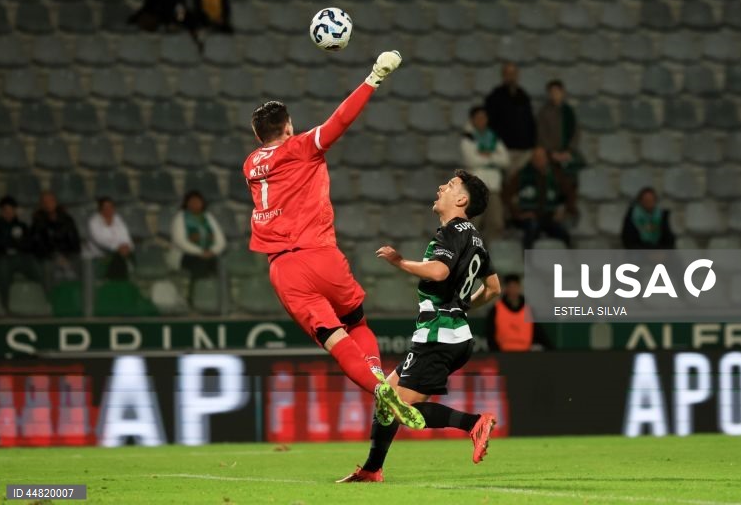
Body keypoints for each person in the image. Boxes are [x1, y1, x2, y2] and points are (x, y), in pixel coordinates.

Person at [243, 51, 425, 430]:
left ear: (258, 137)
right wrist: (373, 77)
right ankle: (382, 377)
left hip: (284, 270)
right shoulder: (300, 146)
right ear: (289, 127)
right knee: (356, 323)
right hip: (321, 256)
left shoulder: (250, 164)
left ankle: (375, 388)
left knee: (333, 339)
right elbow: (339, 121)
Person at [338, 170, 502, 483]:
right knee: (386, 395)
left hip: (439, 334)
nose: (442, 186)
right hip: (452, 332)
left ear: (461, 200)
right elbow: (493, 288)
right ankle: (372, 469)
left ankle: (473, 423)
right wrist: (464, 305)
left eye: (451, 185)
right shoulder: (476, 239)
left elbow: (439, 272)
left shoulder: (452, 231)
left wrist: (400, 262)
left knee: (399, 405)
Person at [506, 147, 575, 249]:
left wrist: (563, 210)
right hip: (529, 216)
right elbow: (507, 195)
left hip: (549, 216)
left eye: (541, 158)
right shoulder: (522, 175)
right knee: (532, 230)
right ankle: (528, 262)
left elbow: (569, 193)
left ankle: (569, 262)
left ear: (546, 159)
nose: (538, 161)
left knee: (564, 234)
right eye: (536, 159)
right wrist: (518, 214)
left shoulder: (556, 175)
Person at [460, 106, 511, 243]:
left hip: (493, 187)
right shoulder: (468, 137)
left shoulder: (493, 137)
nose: (482, 120)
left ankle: (490, 254)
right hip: (476, 188)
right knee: (473, 223)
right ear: (473, 120)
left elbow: (505, 160)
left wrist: (486, 157)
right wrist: (494, 158)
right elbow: (471, 160)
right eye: (478, 118)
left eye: (484, 117)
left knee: (496, 223)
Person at [484, 62, 537, 172]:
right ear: (503, 75)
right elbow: (489, 124)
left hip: (524, 149)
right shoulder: (494, 96)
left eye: (513, 73)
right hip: (503, 148)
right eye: (508, 73)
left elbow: (530, 121)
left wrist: (532, 144)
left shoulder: (523, 95)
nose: (511, 76)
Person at [486, 274, 553, 352]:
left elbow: (539, 334)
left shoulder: (529, 311)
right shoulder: (496, 310)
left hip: (525, 355)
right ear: (506, 289)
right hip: (503, 355)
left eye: (515, 286)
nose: (513, 290)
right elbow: (490, 335)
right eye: (510, 287)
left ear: (519, 288)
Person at [537, 79, 585, 186]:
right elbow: (541, 134)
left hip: (567, 153)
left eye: (557, 91)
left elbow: (575, 133)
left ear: (562, 92)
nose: (554, 94)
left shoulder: (569, 111)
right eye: (552, 92)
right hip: (550, 154)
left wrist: (568, 151)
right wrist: (553, 153)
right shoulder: (544, 112)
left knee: (572, 183)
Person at [169, 190, 226, 280]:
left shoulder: (208, 217)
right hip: (185, 255)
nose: (195, 204)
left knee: (219, 264)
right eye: (192, 201)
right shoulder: (180, 217)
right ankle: (197, 292)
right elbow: (179, 241)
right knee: (201, 263)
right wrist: (200, 252)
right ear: (186, 203)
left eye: (198, 201)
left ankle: (215, 291)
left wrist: (213, 251)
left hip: (209, 254)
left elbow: (221, 240)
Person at [0, 196, 40, 309]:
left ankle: (45, 300)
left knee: (37, 267)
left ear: (15, 211)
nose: (9, 213)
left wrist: (12, 244)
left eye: (11, 210)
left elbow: (29, 245)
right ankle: (5, 305)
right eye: (6, 210)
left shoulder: (22, 226)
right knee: (3, 269)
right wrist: (13, 243)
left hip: (20, 258)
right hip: (1, 259)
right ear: (1, 211)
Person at [30, 191, 82, 283]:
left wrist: (66, 255)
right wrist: (54, 256)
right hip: (49, 256)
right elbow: (37, 244)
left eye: (51, 201)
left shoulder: (67, 219)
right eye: (45, 202)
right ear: (41, 205)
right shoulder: (37, 221)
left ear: (56, 202)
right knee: (60, 271)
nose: (48, 204)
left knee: (72, 267)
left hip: (67, 254)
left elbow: (74, 240)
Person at [85, 197, 135, 280]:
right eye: (105, 207)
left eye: (111, 207)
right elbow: (100, 241)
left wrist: (128, 246)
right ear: (100, 209)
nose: (108, 209)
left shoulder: (118, 219)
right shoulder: (93, 222)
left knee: (126, 257)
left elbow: (125, 236)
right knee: (119, 260)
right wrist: (118, 248)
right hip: (100, 255)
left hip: (120, 253)